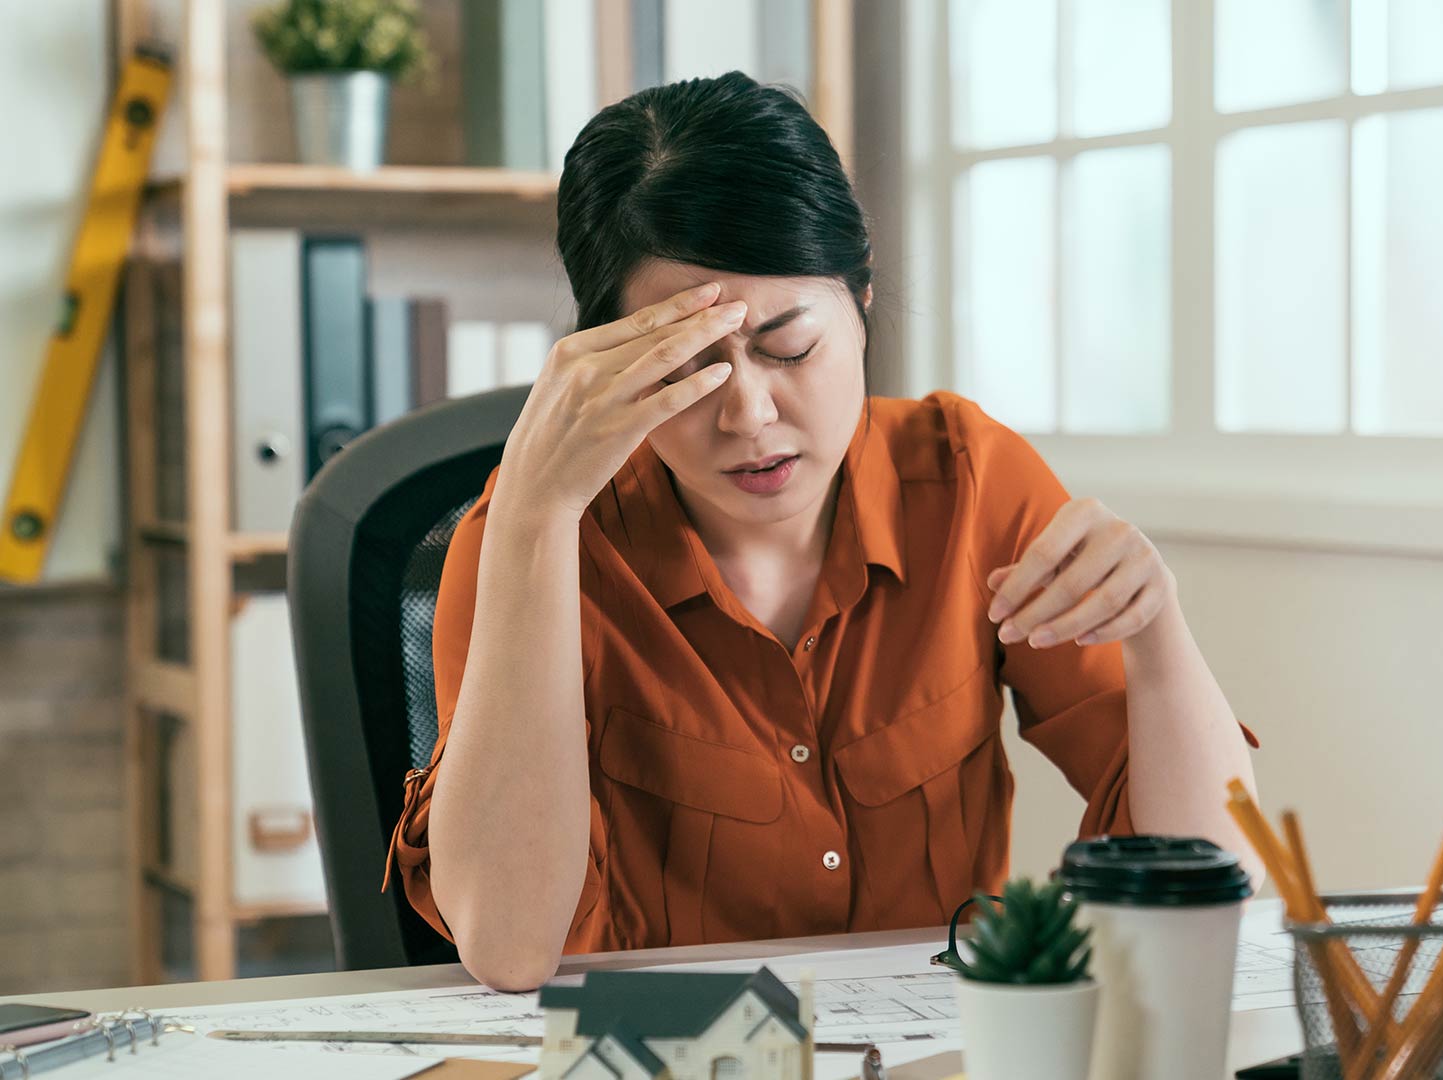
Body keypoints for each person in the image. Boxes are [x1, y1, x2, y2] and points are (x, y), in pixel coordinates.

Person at [386, 72, 1260, 992]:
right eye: (687, 367)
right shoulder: (524, 543)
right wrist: (536, 511)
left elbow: (1206, 886)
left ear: (863, 297)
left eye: (790, 347)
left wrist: (1159, 635)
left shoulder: (967, 483)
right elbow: (512, 951)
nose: (751, 415)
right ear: (601, 361)